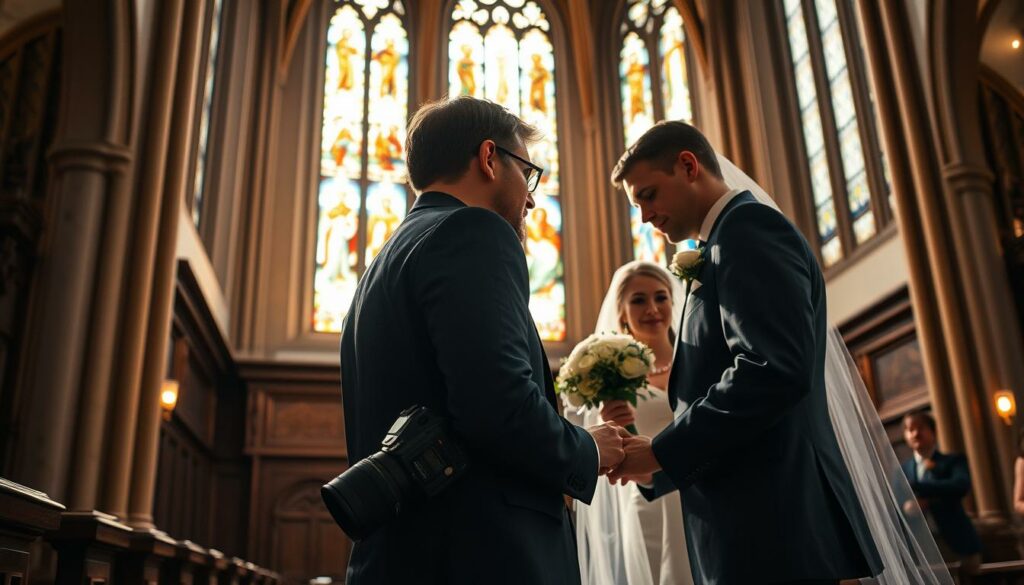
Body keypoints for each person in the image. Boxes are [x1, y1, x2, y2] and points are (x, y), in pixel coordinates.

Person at [338, 96, 628, 584]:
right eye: (529, 174)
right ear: (489, 158)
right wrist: (589, 450)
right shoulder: (472, 231)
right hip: (480, 554)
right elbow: (498, 406)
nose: (533, 198)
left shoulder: (384, 262)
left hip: (405, 555)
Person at [606, 121, 882, 584]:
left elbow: (771, 370)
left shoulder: (747, 232)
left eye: (649, 195)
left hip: (776, 526)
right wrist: (660, 472)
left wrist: (660, 452)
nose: (646, 217)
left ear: (689, 165)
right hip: (759, 523)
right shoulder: (722, 243)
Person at [568, 260, 692, 585]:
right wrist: (610, 424)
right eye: (639, 300)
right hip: (649, 499)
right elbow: (608, 449)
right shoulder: (613, 378)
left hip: (699, 489)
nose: (652, 308)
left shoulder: (694, 359)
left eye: (661, 297)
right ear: (621, 311)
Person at [901, 412, 983, 575]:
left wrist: (925, 496)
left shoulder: (953, 461)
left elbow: (960, 485)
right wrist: (906, 507)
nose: (915, 433)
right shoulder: (901, 471)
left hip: (958, 544)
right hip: (922, 549)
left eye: (921, 428)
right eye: (910, 429)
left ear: (933, 432)